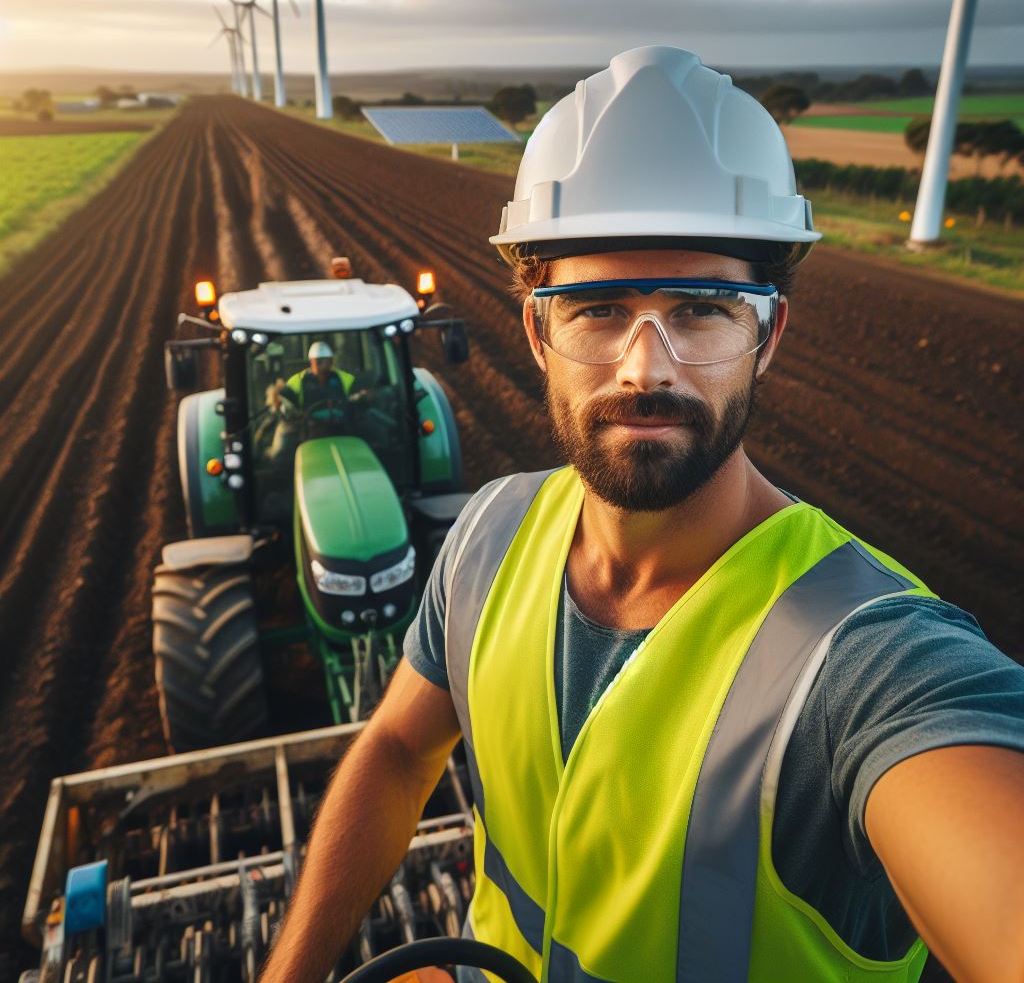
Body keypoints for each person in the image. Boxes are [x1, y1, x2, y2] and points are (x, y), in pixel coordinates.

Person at [259, 48, 1024, 983]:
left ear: (767, 335)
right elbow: (394, 748)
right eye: (597, 309)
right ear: (538, 332)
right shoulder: (488, 538)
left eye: (702, 309)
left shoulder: (870, 664)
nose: (645, 369)